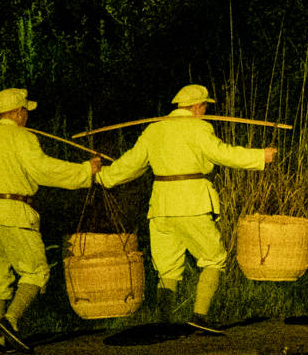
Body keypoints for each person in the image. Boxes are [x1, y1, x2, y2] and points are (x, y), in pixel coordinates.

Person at [96, 84, 276, 332]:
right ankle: (200, 316)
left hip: (160, 207)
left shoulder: (154, 130)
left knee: (167, 266)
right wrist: (260, 157)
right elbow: (222, 153)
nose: (205, 111)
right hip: (191, 203)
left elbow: (131, 163)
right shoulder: (199, 128)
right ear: (197, 106)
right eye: (204, 106)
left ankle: (163, 322)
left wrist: (103, 177)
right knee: (214, 258)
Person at [0, 87, 102, 354]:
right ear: (17, 112)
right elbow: (43, 170)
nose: (27, 115)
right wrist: (85, 170)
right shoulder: (22, 137)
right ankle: (10, 321)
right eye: (25, 110)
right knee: (36, 271)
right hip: (12, 212)